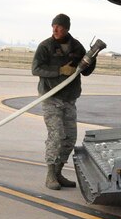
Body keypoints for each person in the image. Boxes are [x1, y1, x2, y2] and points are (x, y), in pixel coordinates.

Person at [31, 13, 95, 190]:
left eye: (59, 26)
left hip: (69, 99)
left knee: (69, 138)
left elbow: (86, 71)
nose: (55, 29)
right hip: (52, 98)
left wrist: (93, 58)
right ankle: (50, 174)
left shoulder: (76, 46)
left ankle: (58, 172)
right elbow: (36, 69)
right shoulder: (46, 46)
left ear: (67, 28)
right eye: (53, 26)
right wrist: (60, 70)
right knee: (57, 136)